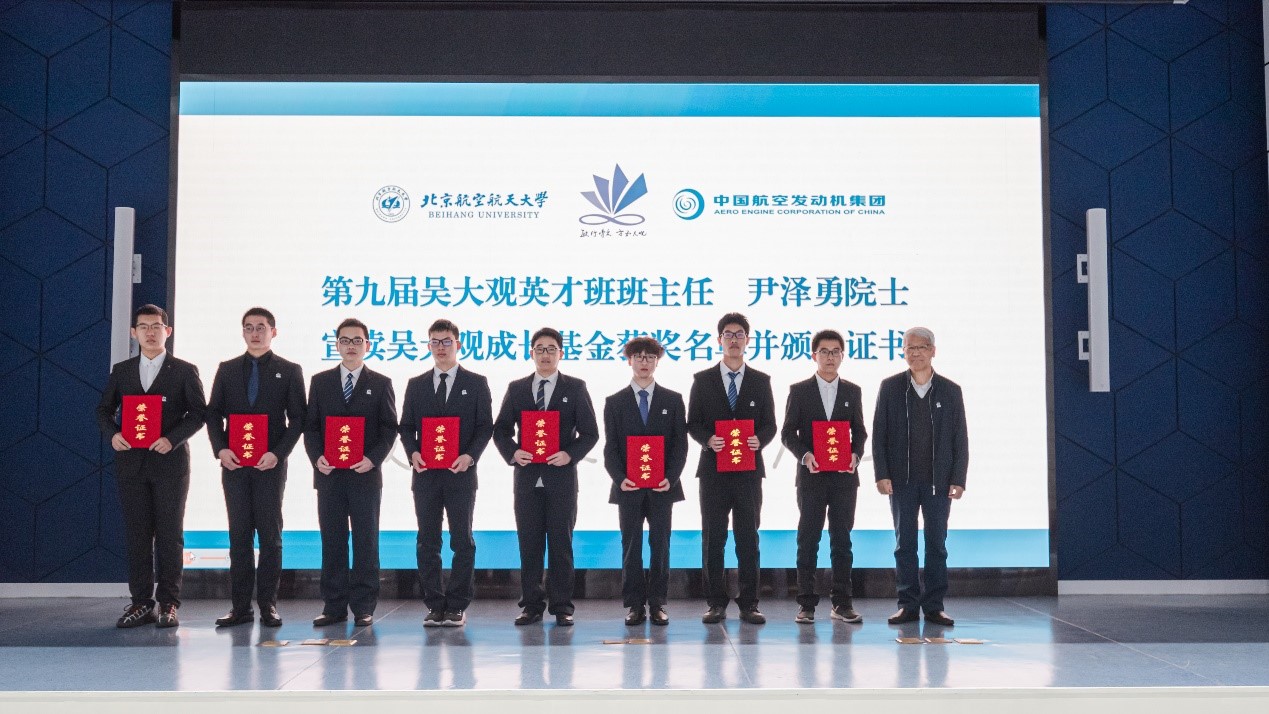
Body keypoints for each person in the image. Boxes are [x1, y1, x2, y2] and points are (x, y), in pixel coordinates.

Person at [96, 304, 206, 628]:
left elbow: (199, 413)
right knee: (138, 535)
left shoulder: (184, 370)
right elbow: (103, 410)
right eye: (143, 327)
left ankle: (169, 602)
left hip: (170, 463)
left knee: (170, 535)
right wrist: (113, 434)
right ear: (134, 333)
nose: (150, 332)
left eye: (156, 326)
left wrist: (172, 439)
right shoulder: (122, 371)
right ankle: (141, 603)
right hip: (131, 464)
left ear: (167, 331)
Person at [205, 307, 305, 628]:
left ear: (273, 332)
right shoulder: (227, 369)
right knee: (239, 536)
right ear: (243, 332)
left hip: (269, 465)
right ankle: (240, 608)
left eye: (261, 327)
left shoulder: (289, 370)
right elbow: (213, 413)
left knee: (270, 536)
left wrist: (278, 454)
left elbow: (298, 419)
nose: (255, 333)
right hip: (234, 464)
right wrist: (220, 449)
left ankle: (268, 605)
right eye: (249, 327)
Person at [492, 327, 599, 626]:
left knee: (561, 544)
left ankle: (562, 606)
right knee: (530, 544)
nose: (545, 354)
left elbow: (590, 433)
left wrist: (569, 454)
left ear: (561, 353)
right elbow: (501, 430)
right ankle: (531, 605)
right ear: (531, 353)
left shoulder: (575, 388)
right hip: (527, 479)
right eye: (540, 349)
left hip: (561, 479)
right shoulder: (517, 388)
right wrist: (513, 452)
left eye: (551, 349)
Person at [302, 318, 398, 627]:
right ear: (337, 345)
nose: (351, 346)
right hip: (329, 475)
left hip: (364, 475)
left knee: (366, 541)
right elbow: (311, 427)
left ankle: (364, 606)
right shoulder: (320, 382)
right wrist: (317, 457)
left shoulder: (381, 383)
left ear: (368, 345)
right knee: (333, 540)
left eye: (357, 340)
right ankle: (334, 606)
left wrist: (373, 459)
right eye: (345, 340)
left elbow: (389, 429)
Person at [398, 319, 493, 627]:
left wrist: (470, 456)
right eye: (435, 342)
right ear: (429, 346)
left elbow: (485, 427)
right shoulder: (416, 384)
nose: (441, 347)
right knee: (427, 540)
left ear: (458, 344)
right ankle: (434, 603)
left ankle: (458, 604)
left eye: (446, 341)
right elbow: (406, 427)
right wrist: (412, 453)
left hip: (460, 474)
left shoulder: (476, 383)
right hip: (425, 474)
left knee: (462, 539)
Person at [872, 326, 968, 627]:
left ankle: (935, 606)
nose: (916, 353)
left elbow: (960, 438)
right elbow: (879, 435)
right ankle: (908, 604)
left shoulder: (950, 390)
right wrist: (881, 474)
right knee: (905, 544)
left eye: (922, 347)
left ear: (933, 351)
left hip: (939, 482)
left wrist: (958, 478)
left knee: (937, 544)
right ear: (903, 352)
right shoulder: (890, 387)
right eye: (910, 348)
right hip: (901, 481)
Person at [687, 312, 777, 625]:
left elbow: (770, 424)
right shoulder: (703, 380)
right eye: (728, 334)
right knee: (713, 538)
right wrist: (707, 439)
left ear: (748, 340)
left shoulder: (761, 381)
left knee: (748, 538)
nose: (734, 340)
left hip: (748, 471)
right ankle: (715, 602)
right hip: (713, 471)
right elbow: (693, 422)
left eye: (740, 334)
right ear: (719, 340)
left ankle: (749, 603)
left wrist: (760, 439)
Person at [780, 329, 867, 624]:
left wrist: (855, 455)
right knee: (808, 539)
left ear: (842, 356)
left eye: (835, 352)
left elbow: (860, 431)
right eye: (824, 352)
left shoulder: (852, 391)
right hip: (812, 476)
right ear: (814, 355)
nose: (830, 357)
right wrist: (805, 455)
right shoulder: (799, 390)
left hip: (844, 478)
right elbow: (787, 432)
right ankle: (806, 604)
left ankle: (842, 603)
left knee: (842, 540)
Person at [601, 337, 688, 626]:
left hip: (663, 487)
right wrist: (620, 478)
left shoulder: (672, 400)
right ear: (629, 360)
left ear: (657, 361)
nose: (644, 362)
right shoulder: (614, 402)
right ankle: (634, 605)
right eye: (638, 356)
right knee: (631, 546)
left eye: (650, 357)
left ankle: (658, 603)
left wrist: (670, 478)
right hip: (629, 488)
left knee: (660, 545)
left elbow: (680, 445)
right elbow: (611, 448)